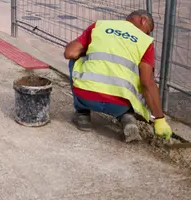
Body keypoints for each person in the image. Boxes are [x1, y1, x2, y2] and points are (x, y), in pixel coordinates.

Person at [63, 10, 172, 142]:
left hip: (87, 96)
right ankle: (127, 117)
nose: (147, 34)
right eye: (148, 30)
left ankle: (82, 113)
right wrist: (159, 119)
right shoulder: (145, 41)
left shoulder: (99, 26)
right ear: (143, 20)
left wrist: (90, 51)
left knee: (76, 60)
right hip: (118, 104)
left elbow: (70, 53)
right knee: (142, 73)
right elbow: (147, 83)